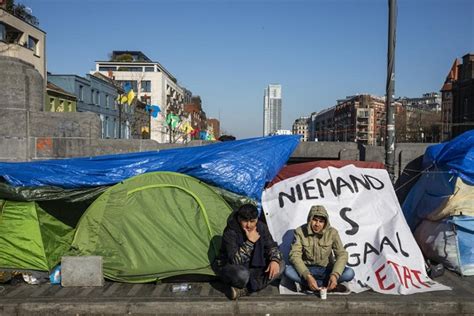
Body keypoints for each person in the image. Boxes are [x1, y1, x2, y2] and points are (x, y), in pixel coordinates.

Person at [216, 204, 284, 300]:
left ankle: (246, 290)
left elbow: (272, 246)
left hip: (255, 266)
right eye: (245, 221)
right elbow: (235, 260)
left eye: (252, 221)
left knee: (280, 265)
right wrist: (250, 242)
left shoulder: (261, 227)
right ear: (239, 219)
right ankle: (251, 284)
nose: (249, 225)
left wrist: (274, 260)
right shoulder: (230, 231)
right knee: (242, 275)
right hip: (232, 267)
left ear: (256, 219)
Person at [285, 205, 354, 293]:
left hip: (326, 271)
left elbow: (342, 254)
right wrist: (308, 276)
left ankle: (312, 286)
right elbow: (294, 255)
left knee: (349, 273)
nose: (317, 224)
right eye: (315, 220)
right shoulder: (299, 232)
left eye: (321, 221)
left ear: (325, 223)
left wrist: (334, 275)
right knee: (288, 271)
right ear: (310, 220)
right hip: (308, 269)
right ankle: (323, 286)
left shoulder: (332, 233)